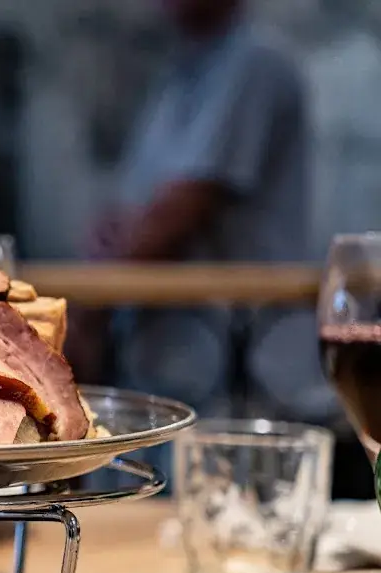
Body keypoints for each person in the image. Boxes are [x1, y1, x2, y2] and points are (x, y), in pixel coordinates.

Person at [78, 0, 313, 486]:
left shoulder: (254, 62)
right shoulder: (181, 72)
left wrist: (87, 314)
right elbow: (136, 214)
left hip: (235, 375)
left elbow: (181, 209)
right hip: (171, 368)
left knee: (224, 515)